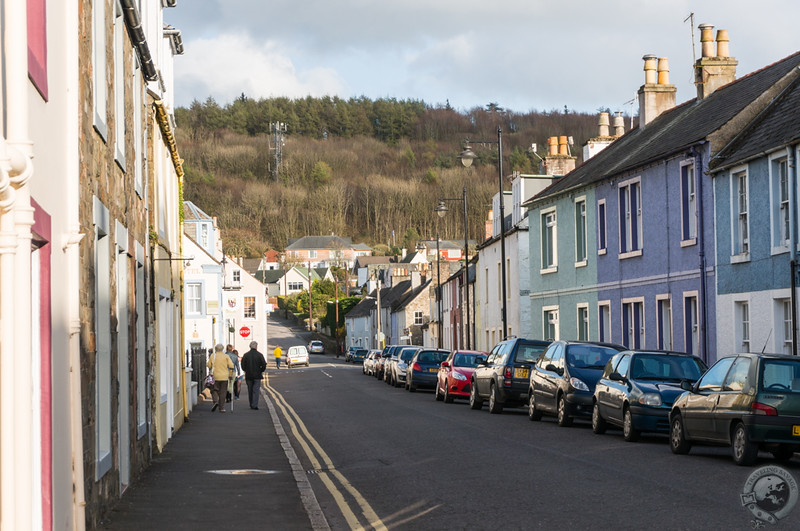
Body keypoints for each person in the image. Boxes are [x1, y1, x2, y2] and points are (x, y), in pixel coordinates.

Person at [207, 344, 234, 413]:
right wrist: (230, 374)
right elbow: (231, 366)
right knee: (223, 392)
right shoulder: (226, 356)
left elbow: (209, 365)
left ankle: (215, 401)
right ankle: (221, 408)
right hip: (224, 377)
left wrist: (209, 365)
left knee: (213, 389)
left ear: (215, 349)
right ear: (223, 349)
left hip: (215, 376)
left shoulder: (213, 356)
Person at [241, 341, 267, 409]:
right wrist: (261, 370)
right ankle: (254, 405)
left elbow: (242, 365)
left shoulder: (246, 355)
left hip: (248, 375)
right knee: (256, 391)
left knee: (250, 390)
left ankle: (251, 404)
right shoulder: (259, 355)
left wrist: (246, 370)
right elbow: (264, 364)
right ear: (256, 347)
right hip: (257, 375)